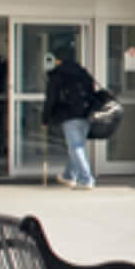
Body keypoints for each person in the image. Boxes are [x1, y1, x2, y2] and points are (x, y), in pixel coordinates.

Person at [44, 48, 106, 190]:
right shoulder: (83, 72)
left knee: (75, 147)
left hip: (69, 115)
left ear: (58, 60)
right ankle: (69, 176)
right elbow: (92, 92)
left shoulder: (57, 75)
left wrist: (45, 118)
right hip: (86, 114)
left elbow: (51, 99)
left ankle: (86, 179)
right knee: (77, 146)